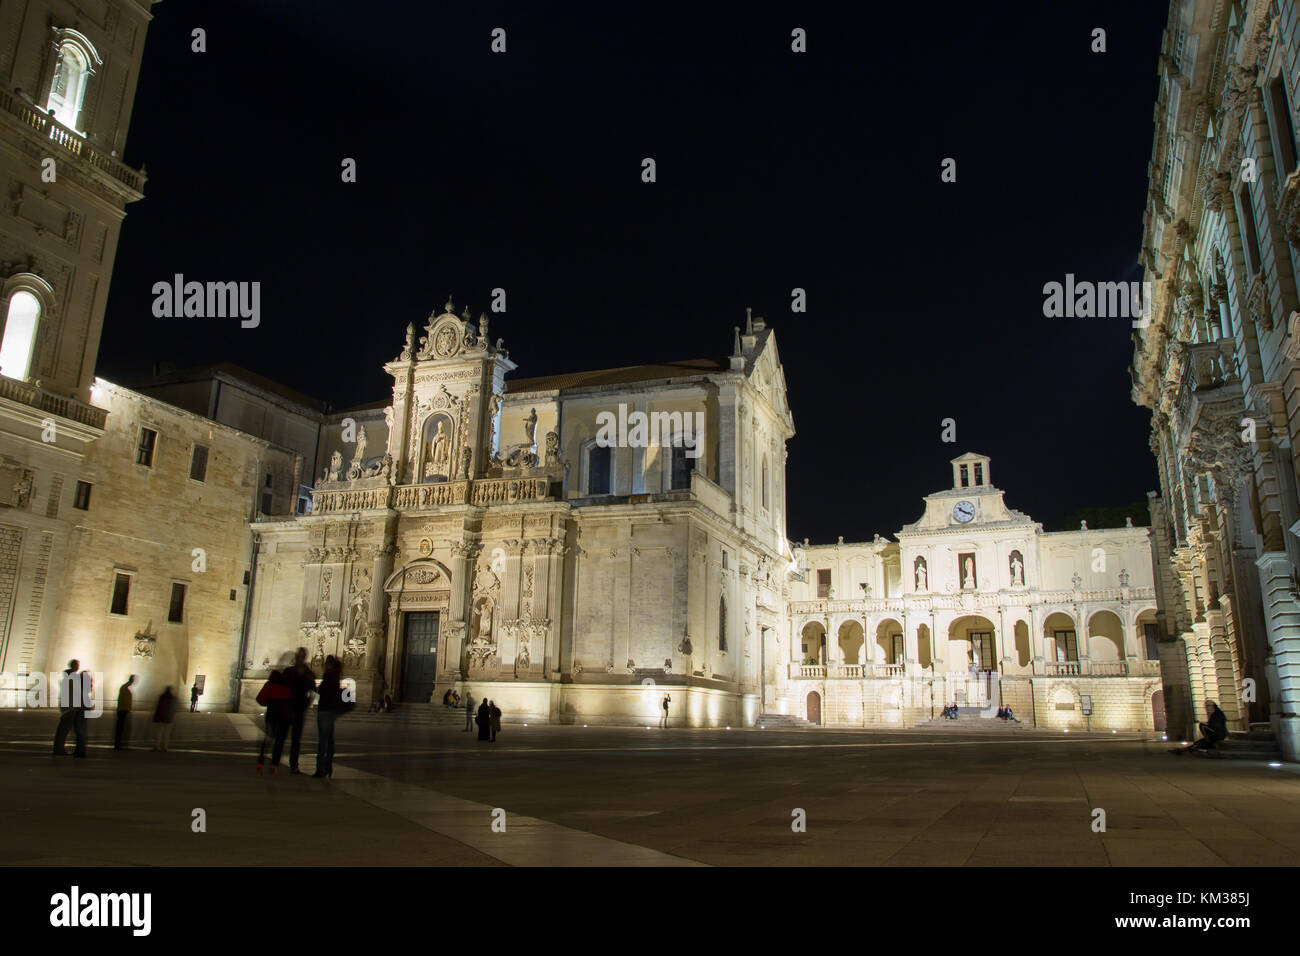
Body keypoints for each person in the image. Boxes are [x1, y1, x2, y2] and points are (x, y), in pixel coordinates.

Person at [313, 656, 351, 778]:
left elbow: (322, 692)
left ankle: (320, 769)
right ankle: (328, 766)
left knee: (323, 742)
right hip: (331, 711)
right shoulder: (336, 677)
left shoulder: (329, 677)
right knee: (329, 740)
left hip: (324, 710)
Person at [284, 647, 317, 774]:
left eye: (302, 656)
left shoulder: (308, 673)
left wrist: (307, 702)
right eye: (299, 655)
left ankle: (294, 764)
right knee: (281, 735)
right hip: (287, 706)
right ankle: (275, 762)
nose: (300, 658)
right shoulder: (289, 671)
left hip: (298, 708)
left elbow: (313, 689)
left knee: (296, 738)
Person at [256, 663, 293, 775]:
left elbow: (260, 699)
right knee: (279, 741)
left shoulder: (269, 685)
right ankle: (274, 764)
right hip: (283, 716)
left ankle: (260, 763)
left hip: (271, 714)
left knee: (268, 738)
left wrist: (269, 702)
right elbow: (291, 701)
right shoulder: (287, 686)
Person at [52, 659, 91, 757]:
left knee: (63, 729)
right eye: (77, 665)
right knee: (66, 730)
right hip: (71, 708)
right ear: (74, 666)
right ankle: (60, 749)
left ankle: (58, 748)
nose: (78, 667)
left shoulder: (66, 679)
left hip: (66, 707)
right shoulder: (73, 679)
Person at [152, 686, 177, 751]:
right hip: (168, 718)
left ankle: (157, 746)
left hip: (161, 717)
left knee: (159, 732)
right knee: (166, 734)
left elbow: (158, 708)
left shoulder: (162, 697)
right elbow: (174, 709)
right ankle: (165, 746)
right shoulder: (173, 698)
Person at [114, 675, 136, 750]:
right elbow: (125, 700)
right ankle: (119, 745)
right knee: (121, 728)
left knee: (121, 728)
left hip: (122, 710)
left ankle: (119, 744)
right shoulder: (126, 688)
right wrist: (128, 710)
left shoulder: (125, 687)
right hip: (123, 711)